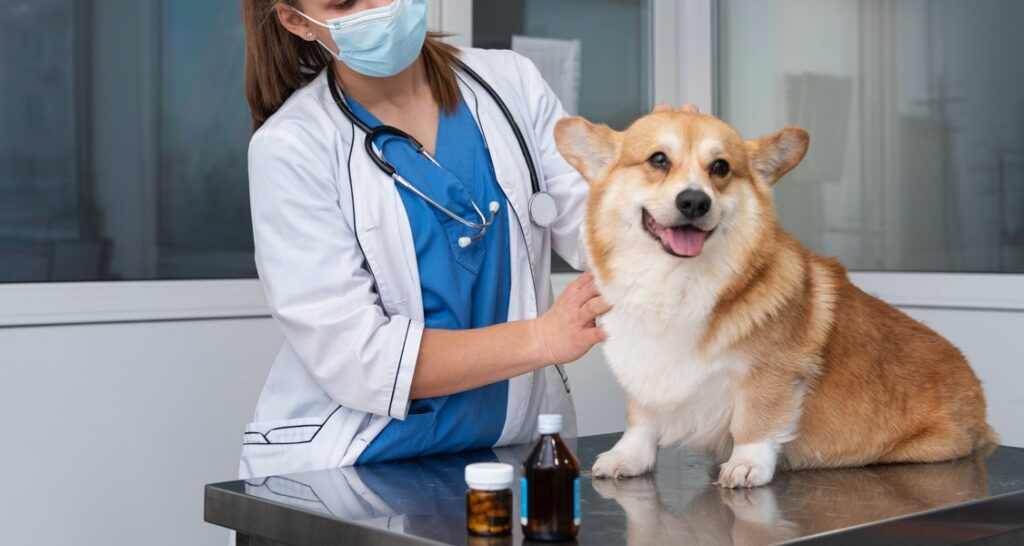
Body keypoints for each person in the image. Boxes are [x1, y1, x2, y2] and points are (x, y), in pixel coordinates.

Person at [238, 0, 690, 478]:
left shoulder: (510, 83)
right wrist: (540, 338)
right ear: (296, 21)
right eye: (345, 2)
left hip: (507, 452)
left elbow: (595, 233)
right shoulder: (291, 147)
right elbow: (359, 358)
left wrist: (656, 187)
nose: (379, 7)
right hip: (360, 464)